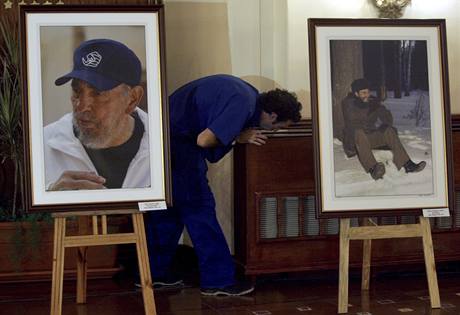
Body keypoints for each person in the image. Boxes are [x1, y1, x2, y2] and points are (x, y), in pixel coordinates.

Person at [145, 74, 302, 296]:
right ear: (272, 114)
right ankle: (218, 280)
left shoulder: (249, 94)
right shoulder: (243, 104)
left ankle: (153, 273)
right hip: (178, 144)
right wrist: (239, 137)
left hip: (160, 137)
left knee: (171, 209)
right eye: (276, 128)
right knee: (200, 208)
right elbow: (204, 140)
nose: (272, 132)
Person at [44, 38, 149, 191]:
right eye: (77, 91)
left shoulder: (165, 145)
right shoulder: (42, 144)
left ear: (132, 99)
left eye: (98, 93)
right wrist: (49, 197)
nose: (82, 106)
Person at [340, 78, 426, 180]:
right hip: (354, 141)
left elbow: (389, 119)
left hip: (368, 137)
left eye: (368, 92)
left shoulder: (372, 102)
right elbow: (355, 120)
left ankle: (407, 164)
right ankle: (373, 169)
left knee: (388, 130)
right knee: (359, 132)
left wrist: (379, 107)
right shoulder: (348, 102)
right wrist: (369, 107)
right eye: (363, 93)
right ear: (356, 93)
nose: (366, 95)